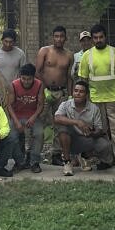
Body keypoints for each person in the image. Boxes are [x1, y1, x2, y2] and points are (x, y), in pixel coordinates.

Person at [78, 23, 115, 171]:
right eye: (95, 38)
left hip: (114, 98)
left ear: (105, 37)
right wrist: (85, 100)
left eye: (100, 37)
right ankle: (106, 160)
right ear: (92, 40)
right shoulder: (86, 56)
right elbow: (83, 80)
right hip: (95, 100)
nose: (98, 40)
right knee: (100, 132)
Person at [53, 80, 114, 176]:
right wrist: (77, 122)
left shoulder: (94, 108)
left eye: (81, 92)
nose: (77, 93)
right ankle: (67, 162)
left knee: (104, 145)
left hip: (86, 139)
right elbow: (57, 118)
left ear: (86, 95)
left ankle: (84, 156)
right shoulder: (66, 104)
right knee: (63, 128)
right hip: (69, 140)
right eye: (76, 91)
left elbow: (99, 129)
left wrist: (92, 133)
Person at [35, 25, 74, 164]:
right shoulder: (44, 51)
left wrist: (70, 96)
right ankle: (34, 154)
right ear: (53, 37)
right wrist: (43, 89)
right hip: (44, 92)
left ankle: (56, 154)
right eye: (56, 36)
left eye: (61, 36)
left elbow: (69, 77)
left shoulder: (69, 55)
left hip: (61, 92)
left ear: (65, 38)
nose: (59, 39)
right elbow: (37, 72)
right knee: (39, 121)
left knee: (60, 123)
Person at [6, 63, 45, 173]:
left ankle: (34, 161)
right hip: (17, 115)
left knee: (39, 133)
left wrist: (34, 117)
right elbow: (8, 105)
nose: (26, 81)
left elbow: (41, 104)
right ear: (20, 76)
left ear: (34, 77)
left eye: (29, 79)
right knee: (11, 136)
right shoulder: (14, 85)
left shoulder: (39, 85)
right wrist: (16, 121)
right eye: (23, 78)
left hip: (32, 115)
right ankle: (20, 161)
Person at [0, 29, 27, 104]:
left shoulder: (20, 54)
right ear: (2, 40)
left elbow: (23, 73)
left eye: (11, 42)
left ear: (14, 42)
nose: (8, 44)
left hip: (14, 91)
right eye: (6, 41)